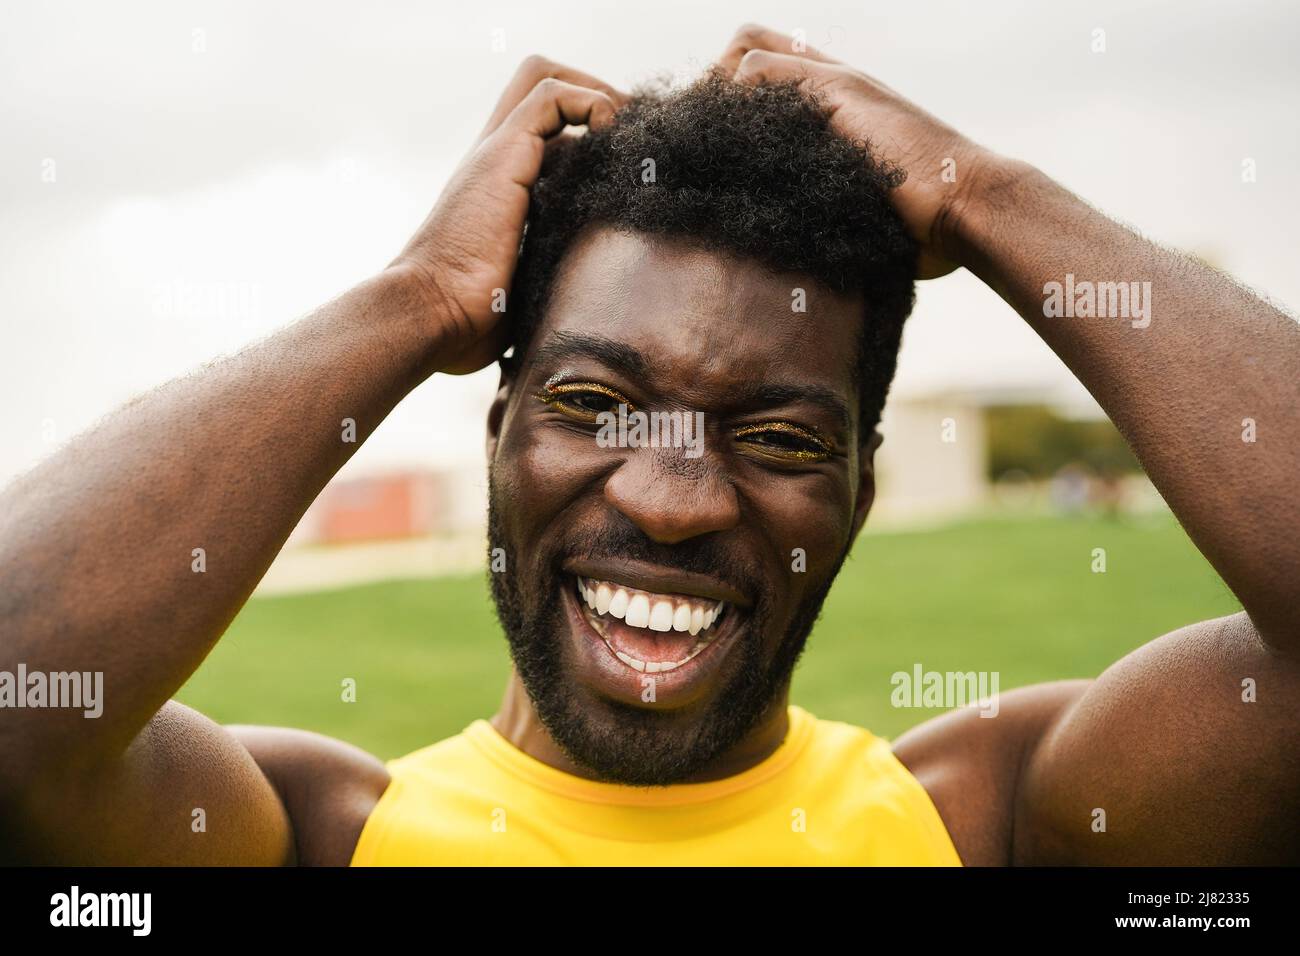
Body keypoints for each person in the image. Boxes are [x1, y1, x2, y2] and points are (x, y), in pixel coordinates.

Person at [1, 25, 1296, 866]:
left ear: (860, 490)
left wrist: (984, 192)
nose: (673, 502)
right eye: (594, 407)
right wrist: (415, 301)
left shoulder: (988, 822)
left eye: (780, 434)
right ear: (500, 432)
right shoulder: (319, 838)